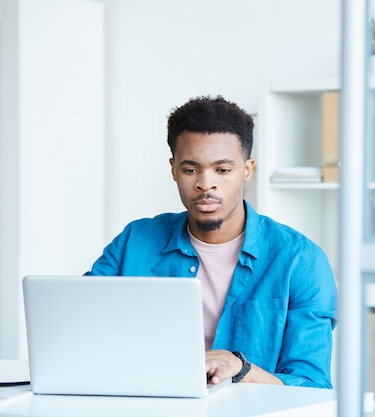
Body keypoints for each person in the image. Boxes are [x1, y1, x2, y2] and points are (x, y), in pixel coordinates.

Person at [86, 95, 337, 388]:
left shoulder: (301, 261)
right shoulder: (134, 241)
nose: (206, 184)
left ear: (247, 170)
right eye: (191, 170)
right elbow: (82, 325)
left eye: (222, 170)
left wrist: (240, 368)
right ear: (173, 169)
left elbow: (311, 386)